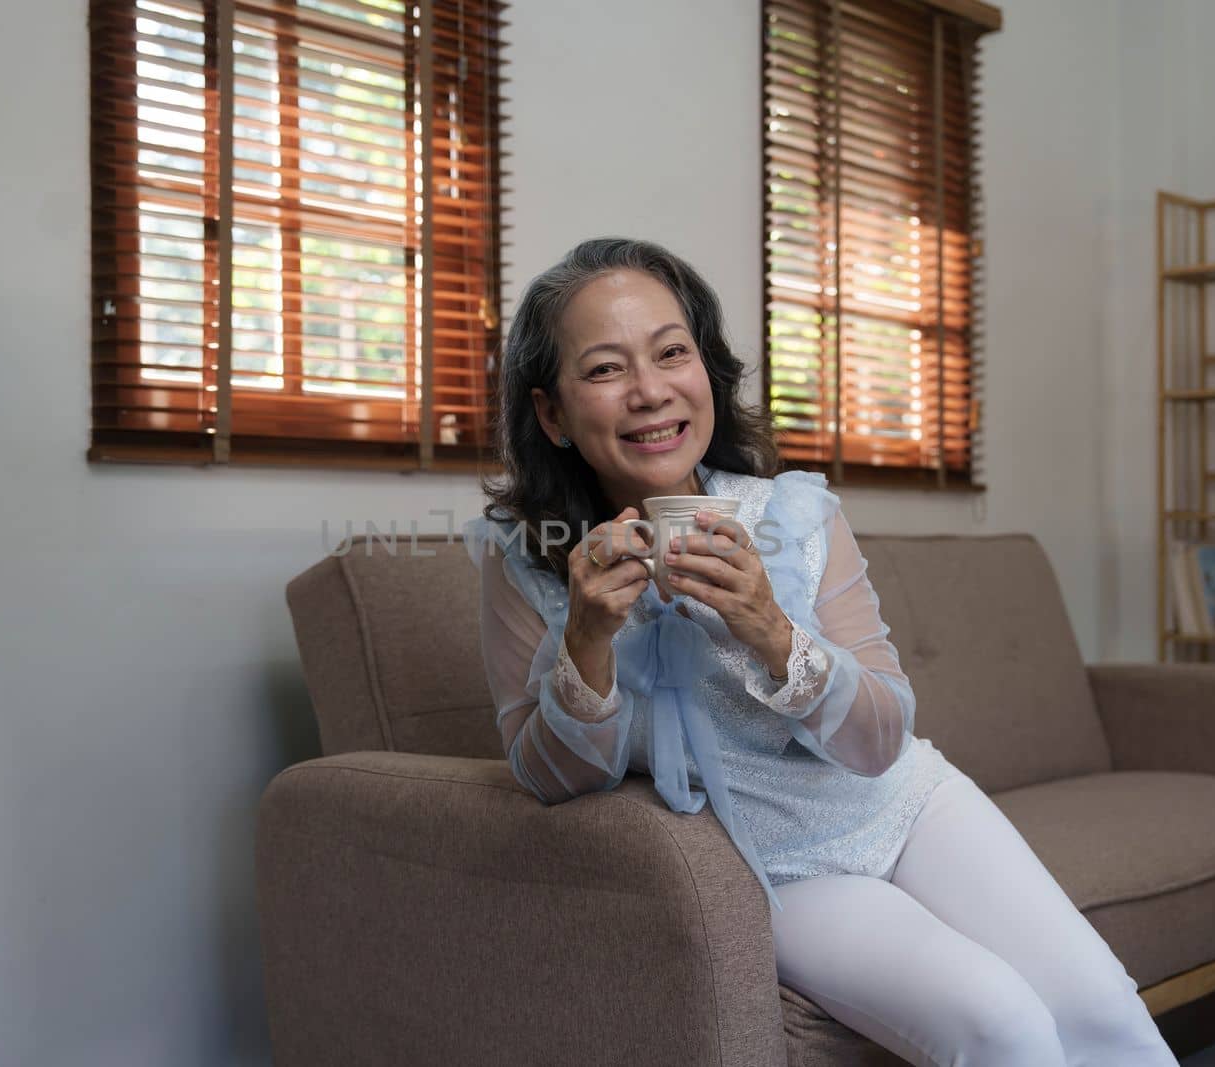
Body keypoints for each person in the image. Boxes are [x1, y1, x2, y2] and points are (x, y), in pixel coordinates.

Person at [461, 238, 1178, 1066]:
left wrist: (768, 626)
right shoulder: (528, 560)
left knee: (1101, 1010)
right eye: (606, 369)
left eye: (671, 353)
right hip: (782, 869)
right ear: (552, 413)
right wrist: (587, 639)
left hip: (907, 807)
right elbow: (549, 780)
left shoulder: (794, 516)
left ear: (707, 372)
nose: (650, 390)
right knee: (999, 1022)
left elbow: (883, 739)